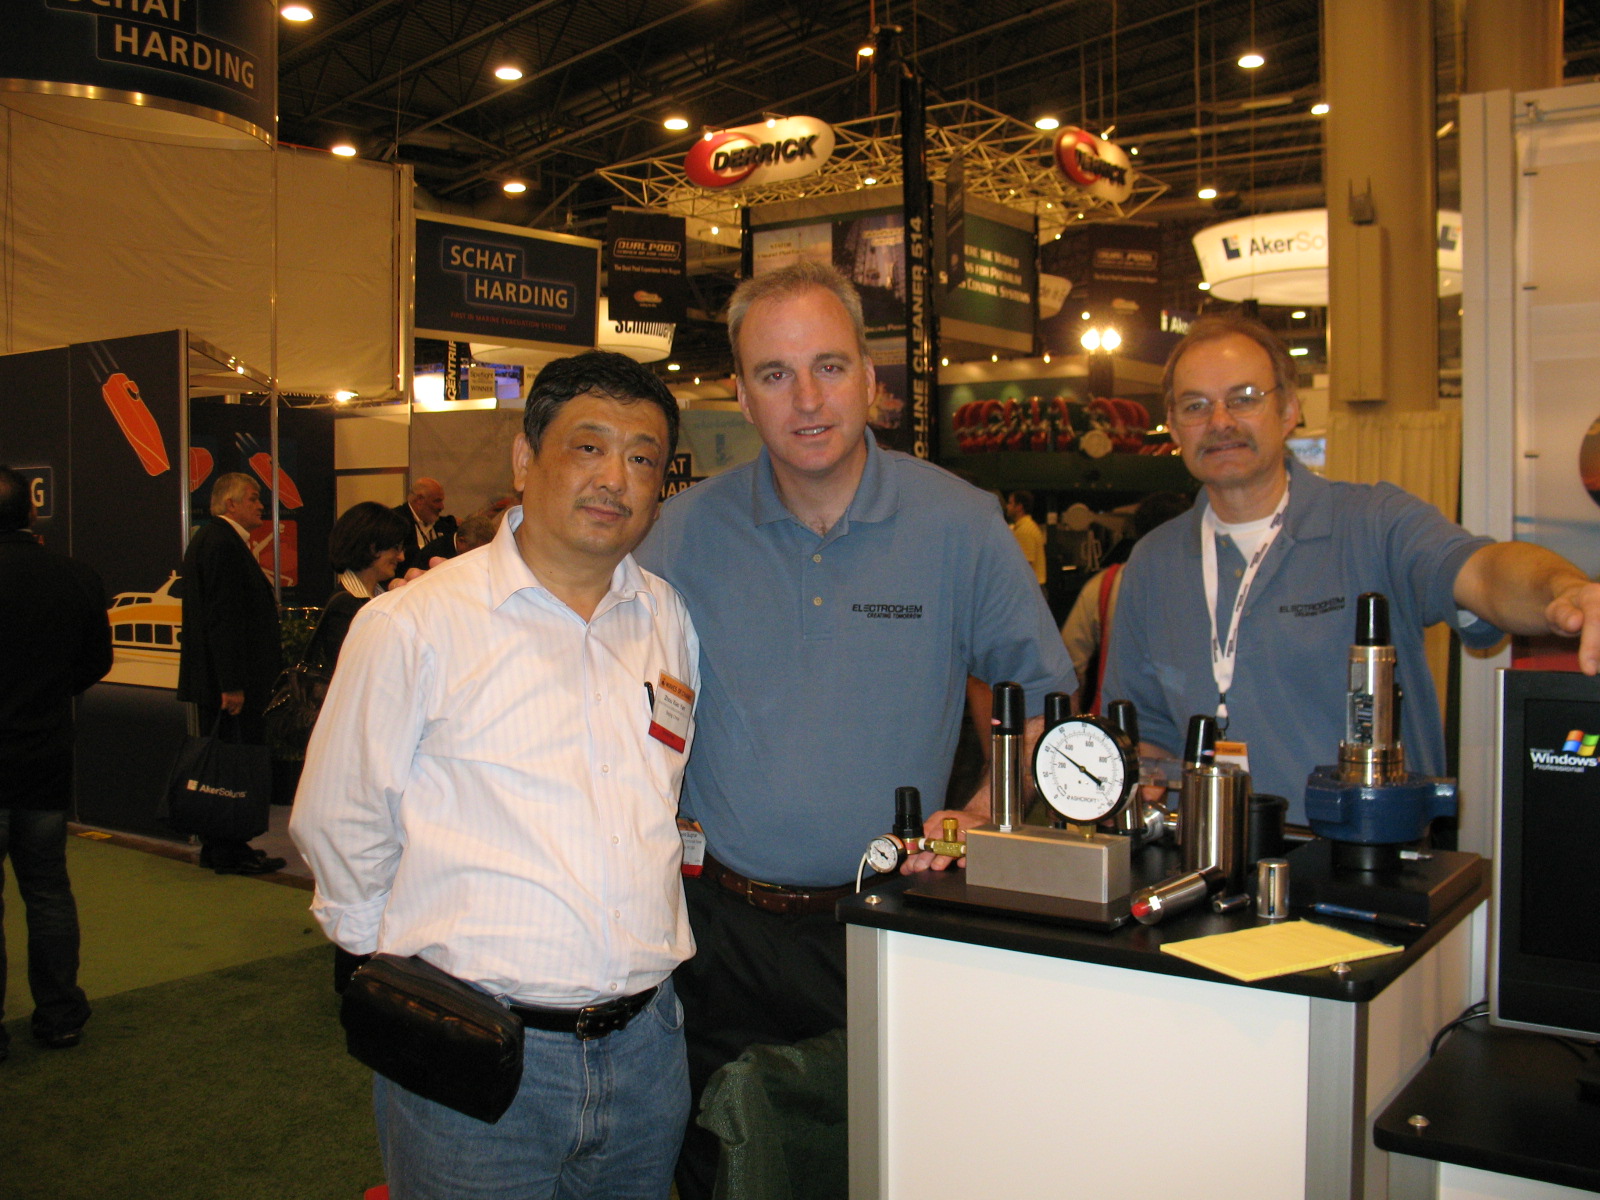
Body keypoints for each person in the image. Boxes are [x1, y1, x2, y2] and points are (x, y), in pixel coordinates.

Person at [635, 260, 1076, 1199]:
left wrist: (977, 818)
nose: (807, 399)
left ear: (872, 380)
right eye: (775, 373)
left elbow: (1041, 704)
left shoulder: (959, 523)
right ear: (740, 395)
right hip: (718, 935)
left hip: (886, 926)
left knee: (882, 1167)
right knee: (722, 1168)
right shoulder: (679, 532)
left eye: (829, 367)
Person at [291, 350, 699, 1200]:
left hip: (648, 1049)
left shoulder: (665, 616)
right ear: (524, 458)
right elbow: (340, 819)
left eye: (642, 458)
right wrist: (399, 978)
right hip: (475, 1055)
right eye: (588, 447)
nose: (615, 479)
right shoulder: (414, 624)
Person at [1102, 312, 1600, 822]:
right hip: (1209, 856)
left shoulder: (1373, 523)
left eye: (1244, 397)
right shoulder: (1153, 563)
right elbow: (1147, 734)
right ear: (1174, 425)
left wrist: (1564, 590)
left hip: (1364, 858)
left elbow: (1483, 571)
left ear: (1289, 410)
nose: (1220, 421)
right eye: (1196, 405)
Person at [0, 467, 113, 1060]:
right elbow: (95, 662)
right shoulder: (74, 576)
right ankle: (60, 1014)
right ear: (32, 512)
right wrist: (46, 693)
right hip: (43, 758)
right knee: (47, 891)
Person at [176, 473, 285, 875]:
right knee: (231, 764)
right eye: (253, 498)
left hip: (228, 679)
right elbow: (223, 619)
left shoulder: (217, 540)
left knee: (229, 762)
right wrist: (232, 684)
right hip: (231, 684)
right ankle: (227, 848)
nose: (261, 506)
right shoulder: (221, 543)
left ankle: (226, 845)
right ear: (230, 504)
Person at [1060, 491, 1191, 713]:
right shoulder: (1212, 586)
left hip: (1118, 718)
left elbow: (1070, 666)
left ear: (1137, 532)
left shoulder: (1105, 585)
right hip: (1191, 720)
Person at [319, 501, 412, 664]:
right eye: (396, 548)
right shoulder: (344, 607)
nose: (401, 557)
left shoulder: (378, 595)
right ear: (372, 547)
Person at [392, 477, 455, 572]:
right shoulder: (395, 522)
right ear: (419, 499)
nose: (442, 507)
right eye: (437, 501)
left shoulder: (443, 525)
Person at [417, 511, 495, 568]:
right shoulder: (437, 553)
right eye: (476, 551)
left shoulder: (455, 545)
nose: (480, 556)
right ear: (462, 541)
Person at [1005, 490, 1047, 593]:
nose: (1007, 506)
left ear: (1019, 507)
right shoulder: (1026, 527)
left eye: (1010, 503)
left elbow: (1025, 565)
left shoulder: (1024, 531)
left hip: (1029, 589)